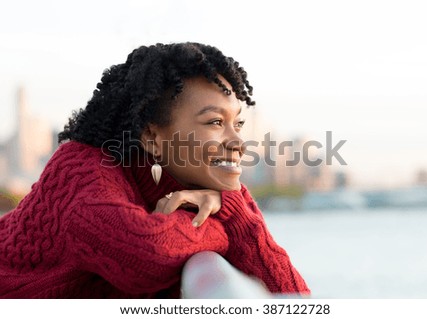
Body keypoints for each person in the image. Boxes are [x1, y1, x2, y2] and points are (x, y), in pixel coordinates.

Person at [0, 42, 310, 298]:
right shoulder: (82, 172)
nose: (238, 142)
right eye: (215, 122)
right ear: (152, 136)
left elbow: (293, 301)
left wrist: (228, 204)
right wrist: (219, 222)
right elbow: (147, 255)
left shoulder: (199, 186)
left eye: (238, 123)